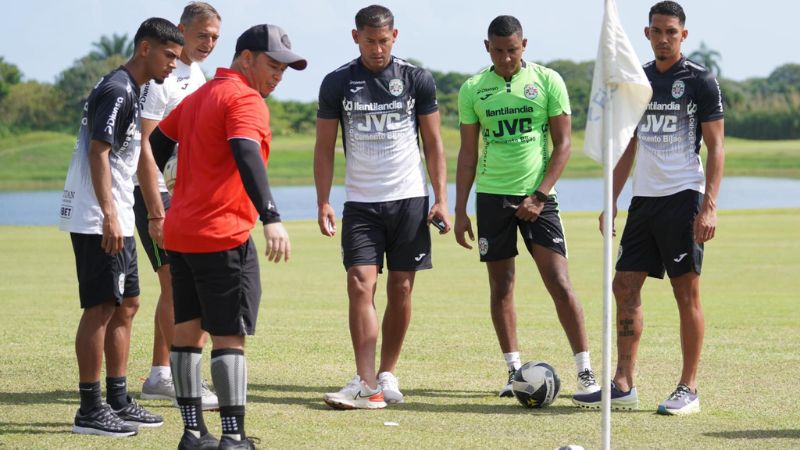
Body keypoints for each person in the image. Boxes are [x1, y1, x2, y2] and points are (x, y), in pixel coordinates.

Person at [149, 23, 306, 449]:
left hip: (181, 234)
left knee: (187, 331)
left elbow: (154, 146)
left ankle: (193, 433)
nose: (277, 75)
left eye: (284, 70)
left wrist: (159, 202)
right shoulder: (244, 98)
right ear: (246, 58)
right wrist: (270, 215)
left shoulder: (199, 96)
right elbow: (246, 151)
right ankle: (233, 438)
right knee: (228, 334)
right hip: (222, 235)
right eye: (272, 65)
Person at [572, 1, 724, 415]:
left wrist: (709, 206)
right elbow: (627, 145)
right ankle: (623, 383)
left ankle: (688, 388)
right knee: (624, 285)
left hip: (684, 198)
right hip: (644, 201)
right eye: (657, 31)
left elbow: (716, 147)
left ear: (683, 35)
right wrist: (612, 199)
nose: (663, 38)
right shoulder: (637, 82)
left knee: (685, 291)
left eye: (671, 32)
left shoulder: (700, 81)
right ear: (646, 33)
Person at [453, 15, 600, 402]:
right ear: (487, 47)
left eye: (512, 50)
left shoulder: (548, 81)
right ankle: (513, 371)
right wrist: (459, 209)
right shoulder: (472, 89)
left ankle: (586, 373)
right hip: (491, 197)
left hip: (539, 197)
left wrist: (540, 195)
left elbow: (564, 144)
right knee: (501, 286)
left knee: (560, 283)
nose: (505, 58)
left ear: (524, 45)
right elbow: (468, 154)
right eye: (498, 51)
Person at [315, 4, 450, 410]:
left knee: (402, 287)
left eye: (384, 41)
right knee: (360, 282)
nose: (378, 49)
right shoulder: (337, 82)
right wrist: (322, 200)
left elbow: (434, 144)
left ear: (396, 36)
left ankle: (387, 372)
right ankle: (366, 382)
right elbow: (323, 149)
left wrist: (442, 198)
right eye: (370, 41)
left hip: (409, 199)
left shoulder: (415, 78)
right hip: (360, 202)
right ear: (355, 37)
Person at [58, 18, 183, 437]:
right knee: (101, 306)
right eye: (168, 55)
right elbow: (99, 152)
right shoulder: (115, 88)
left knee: (127, 303)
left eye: (177, 59)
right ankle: (90, 410)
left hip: (121, 214)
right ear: (144, 48)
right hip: (99, 217)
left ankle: (117, 398)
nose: (173, 65)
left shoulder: (138, 89)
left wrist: (139, 213)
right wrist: (110, 213)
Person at [134, 1, 221, 411]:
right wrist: (157, 206)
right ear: (182, 30)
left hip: (185, 193)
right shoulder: (160, 78)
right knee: (174, 280)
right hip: (155, 195)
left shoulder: (197, 73)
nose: (208, 43)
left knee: (186, 281)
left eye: (215, 37)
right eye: (202, 34)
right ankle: (163, 374)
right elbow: (146, 147)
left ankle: (170, 372)